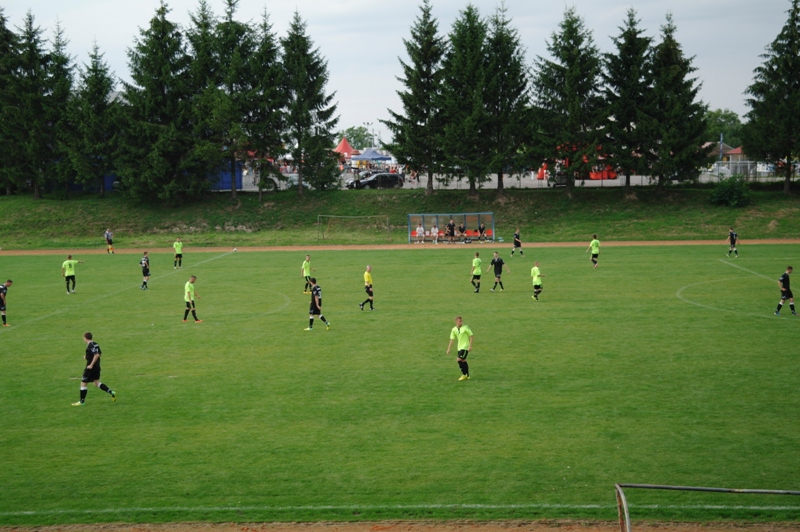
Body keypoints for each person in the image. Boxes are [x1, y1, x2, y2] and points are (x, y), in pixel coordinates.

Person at [72, 332, 116, 406]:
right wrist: (87, 357)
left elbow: (97, 355)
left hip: (91, 368)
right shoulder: (95, 344)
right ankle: (111, 392)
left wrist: (91, 365)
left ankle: (82, 401)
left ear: (85, 338)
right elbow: (100, 354)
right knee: (96, 383)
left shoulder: (90, 345)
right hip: (97, 367)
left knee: (83, 383)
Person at [446, 316, 474, 381]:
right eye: (460, 321)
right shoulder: (454, 329)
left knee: (458, 359)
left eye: (462, 321)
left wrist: (470, 346)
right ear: (456, 322)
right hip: (459, 347)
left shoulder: (465, 327)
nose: (461, 322)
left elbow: (471, 335)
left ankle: (464, 375)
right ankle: (467, 375)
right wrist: (449, 349)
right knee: (463, 360)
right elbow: (452, 339)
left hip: (465, 347)